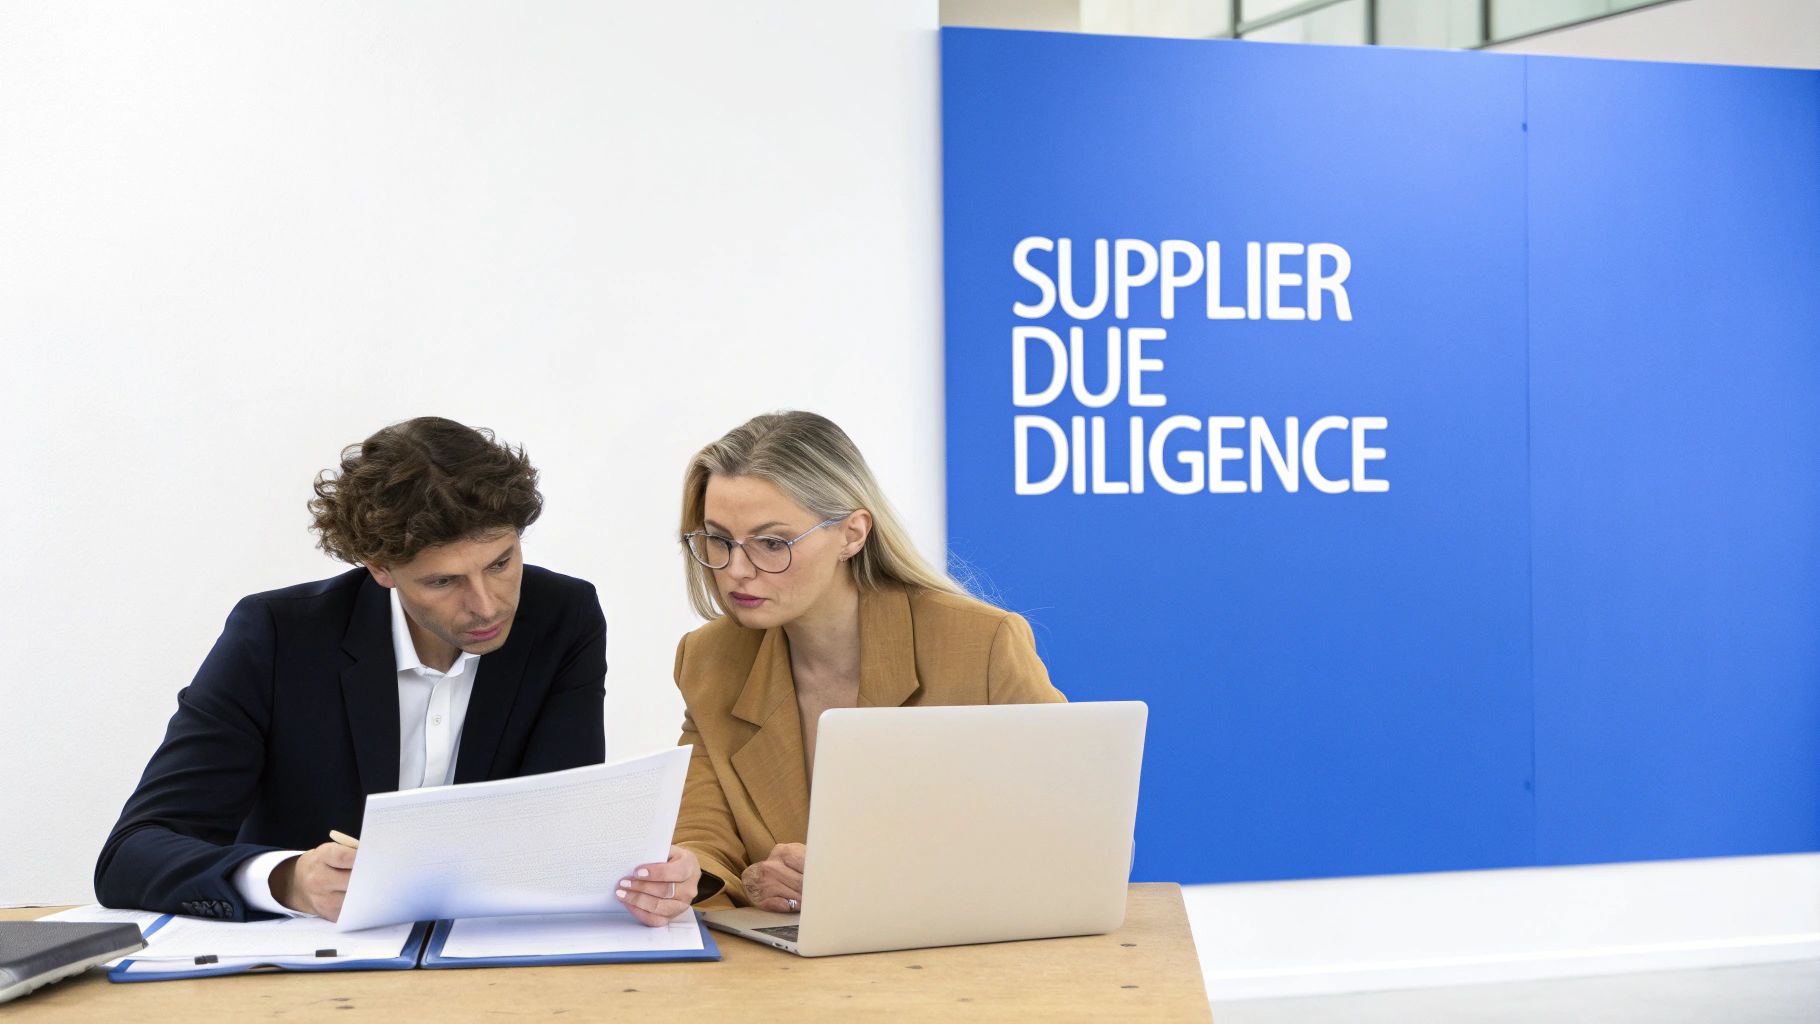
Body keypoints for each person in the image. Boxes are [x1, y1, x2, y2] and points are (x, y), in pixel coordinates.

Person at [95, 417, 617, 923]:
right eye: (443, 582)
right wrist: (288, 880)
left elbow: (560, 829)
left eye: (501, 563)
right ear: (380, 568)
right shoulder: (277, 636)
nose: (486, 605)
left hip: (496, 963)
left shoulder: (562, 618)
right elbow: (132, 854)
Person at [610, 411, 1066, 923]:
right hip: (785, 975)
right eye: (718, 539)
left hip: (955, 956)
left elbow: (1067, 831)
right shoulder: (710, 659)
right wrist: (692, 873)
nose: (736, 570)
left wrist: (865, 877)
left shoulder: (980, 645)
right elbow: (706, 832)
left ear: (852, 534)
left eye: (772, 542)